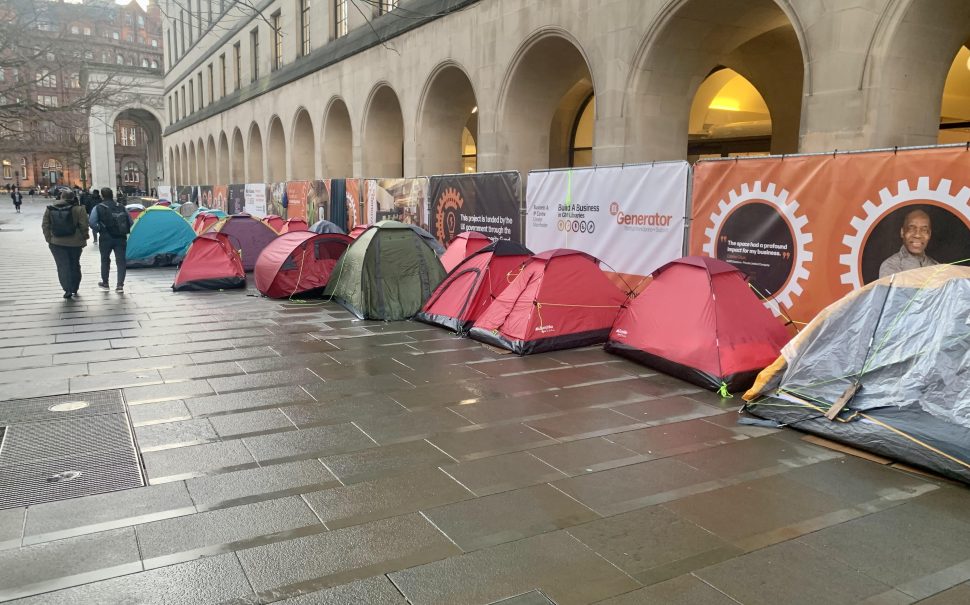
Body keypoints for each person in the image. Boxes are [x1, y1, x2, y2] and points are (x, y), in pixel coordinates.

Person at [42, 190, 89, 298]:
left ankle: (67, 289)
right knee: (75, 264)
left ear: (61, 197)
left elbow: (45, 225)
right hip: (75, 243)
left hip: (56, 243)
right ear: (73, 198)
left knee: (62, 266)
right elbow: (84, 225)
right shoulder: (79, 209)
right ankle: (75, 287)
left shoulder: (50, 209)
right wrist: (84, 237)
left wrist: (49, 239)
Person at [89, 187, 132, 292]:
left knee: (105, 260)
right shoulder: (121, 207)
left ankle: (105, 283)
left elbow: (92, 222)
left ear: (102, 196)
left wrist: (100, 229)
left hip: (105, 238)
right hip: (121, 238)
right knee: (121, 261)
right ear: (112, 195)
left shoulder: (98, 207)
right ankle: (120, 285)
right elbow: (130, 222)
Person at [878, 208, 938, 278]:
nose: (917, 235)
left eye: (924, 230)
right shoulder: (890, 266)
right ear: (902, 232)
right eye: (912, 229)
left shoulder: (937, 267)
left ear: (929, 235)